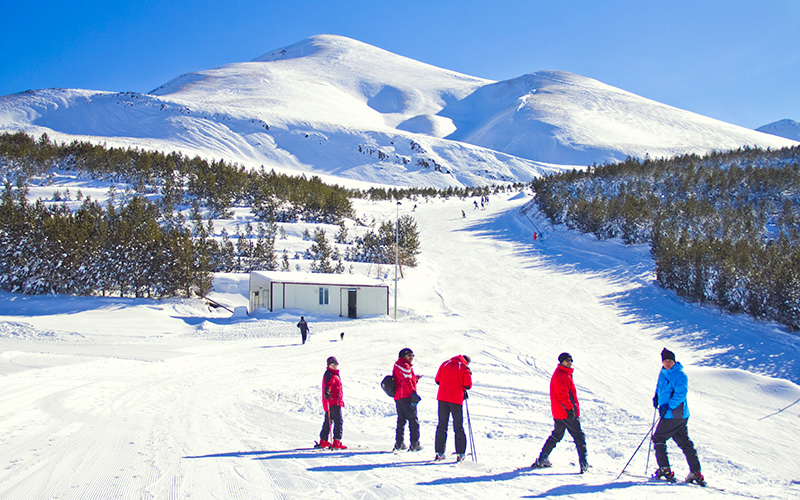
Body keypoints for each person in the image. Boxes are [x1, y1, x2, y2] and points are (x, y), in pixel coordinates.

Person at [651, 348, 705, 485]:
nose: (667, 363)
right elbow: (660, 387)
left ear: (674, 361)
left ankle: (664, 469)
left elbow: (680, 395)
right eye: (665, 361)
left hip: (674, 414)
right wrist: (656, 398)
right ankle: (696, 472)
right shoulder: (663, 373)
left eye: (670, 361)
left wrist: (667, 406)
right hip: (672, 415)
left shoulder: (680, 375)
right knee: (684, 442)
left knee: (658, 438)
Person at [531, 353, 589, 473]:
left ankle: (542, 458)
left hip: (560, 413)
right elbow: (563, 395)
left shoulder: (564, 374)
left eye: (571, 360)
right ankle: (584, 463)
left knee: (556, 435)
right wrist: (570, 409)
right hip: (566, 413)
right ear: (561, 362)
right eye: (567, 360)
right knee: (578, 436)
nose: (570, 362)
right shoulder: (562, 375)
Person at [434, 354, 472, 462]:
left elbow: (437, 380)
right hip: (456, 400)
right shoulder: (464, 368)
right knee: (458, 426)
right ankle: (460, 453)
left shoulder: (445, 364)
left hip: (442, 398)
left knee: (442, 425)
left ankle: (439, 452)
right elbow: (467, 385)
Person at [393, 348, 423, 451]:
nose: (411, 358)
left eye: (413, 355)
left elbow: (405, 380)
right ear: (403, 356)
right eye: (409, 355)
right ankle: (415, 444)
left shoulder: (398, 364)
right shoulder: (404, 365)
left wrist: (415, 380)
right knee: (413, 420)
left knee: (401, 420)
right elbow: (407, 381)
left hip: (399, 396)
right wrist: (413, 394)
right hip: (406, 396)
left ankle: (399, 443)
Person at [316, 356, 347, 449]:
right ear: (328, 365)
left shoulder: (330, 373)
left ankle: (323, 440)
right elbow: (329, 384)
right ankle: (336, 441)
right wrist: (327, 392)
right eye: (332, 364)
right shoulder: (331, 375)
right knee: (338, 421)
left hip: (330, 402)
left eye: (335, 364)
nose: (334, 366)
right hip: (333, 402)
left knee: (328, 421)